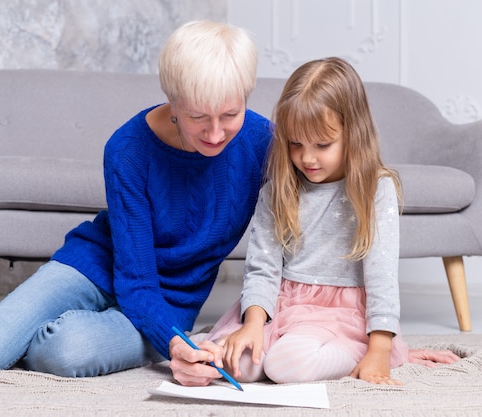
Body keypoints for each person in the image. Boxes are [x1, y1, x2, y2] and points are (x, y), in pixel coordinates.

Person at [0, 20, 273, 385]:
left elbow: (301, 211)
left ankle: (15, 338)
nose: (216, 132)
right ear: (173, 101)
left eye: (230, 114)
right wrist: (176, 346)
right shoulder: (128, 150)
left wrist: (178, 339)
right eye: (197, 117)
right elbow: (136, 279)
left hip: (169, 302)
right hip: (95, 267)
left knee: (63, 353)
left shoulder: (260, 141)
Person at [190, 57, 460, 386]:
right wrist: (251, 323)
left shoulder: (376, 188)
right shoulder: (277, 190)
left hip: (340, 316)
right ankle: (273, 345)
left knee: (284, 366)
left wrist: (380, 347)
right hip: (282, 305)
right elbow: (263, 267)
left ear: (353, 134)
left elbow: (381, 276)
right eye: (295, 144)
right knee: (234, 364)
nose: (307, 158)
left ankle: (359, 353)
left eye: (322, 145)